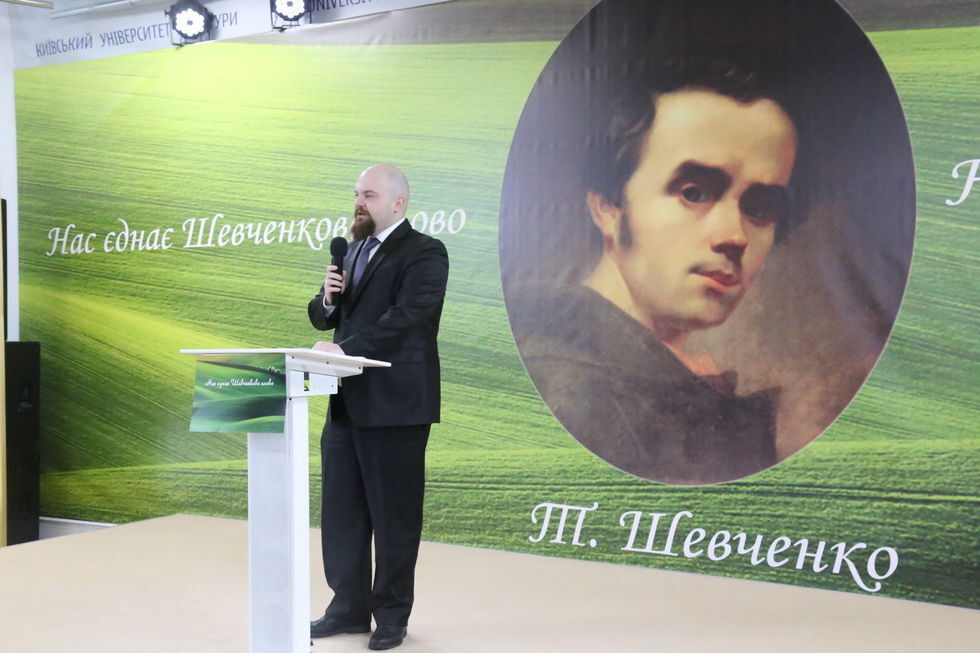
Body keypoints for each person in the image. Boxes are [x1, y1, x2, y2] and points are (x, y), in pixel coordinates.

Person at [507, 53, 801, 485]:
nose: (734, 235)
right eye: (694, 192)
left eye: (759, 207)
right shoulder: (567, 384)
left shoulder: (677, 380)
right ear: (608, 207)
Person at [307, 163, 449, 650]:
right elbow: (324, 317)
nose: (358, 203)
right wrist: (329, 301)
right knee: (341, 513)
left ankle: (391, 615)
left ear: (397, 202)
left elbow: (409, 318)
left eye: (368, 195)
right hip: (345, 403)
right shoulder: (352, 251)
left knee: (394, 517)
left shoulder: (425, 252)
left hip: (397, 406)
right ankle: (347, 608)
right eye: (356, 194)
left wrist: (345, 350)